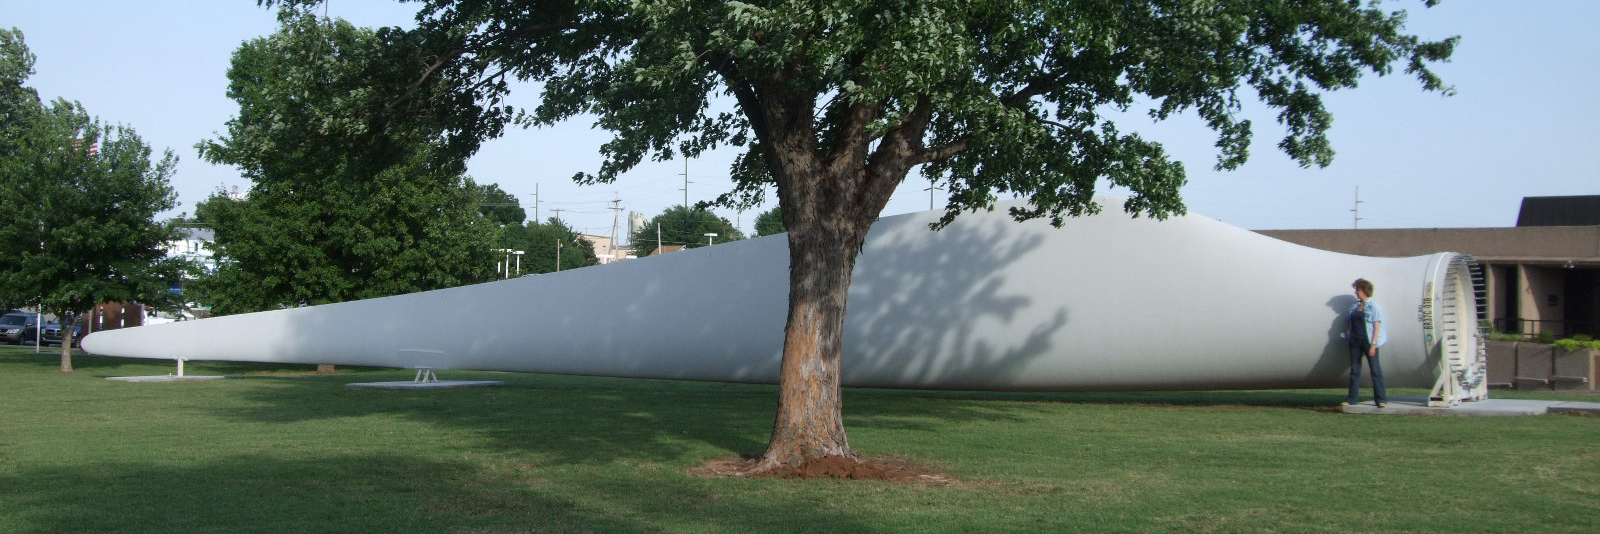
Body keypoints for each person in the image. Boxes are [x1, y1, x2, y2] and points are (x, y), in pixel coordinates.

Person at [1344, 278, 1388, 407]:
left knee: (1375, 370)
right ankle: (1351, 399)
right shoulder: (1355, 306)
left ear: (1364, 290)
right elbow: (1348, 321)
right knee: (1355, 371)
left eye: (1357, 290)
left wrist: (1373, 344)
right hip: (1355, 342)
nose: (1356, 292)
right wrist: (1349, 333)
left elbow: (1376, 326)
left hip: (1369, 341)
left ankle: (1381, 399)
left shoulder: (1374, 306)